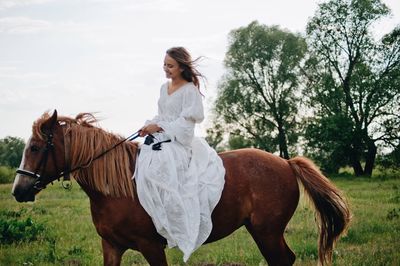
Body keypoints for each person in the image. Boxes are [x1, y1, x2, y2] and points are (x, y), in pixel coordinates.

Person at [134, 47, 225, 262]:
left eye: (170, 66)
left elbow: (186, 124)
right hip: (161, 137)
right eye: (164, 64)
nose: (166, 69)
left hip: (179, 143)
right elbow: (162, 114)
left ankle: (173, 221)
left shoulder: (189, 90)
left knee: (161, 168)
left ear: (182, 67)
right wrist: (149, 125)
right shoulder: (163, 88)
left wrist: (160, 128)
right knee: (139, 163)